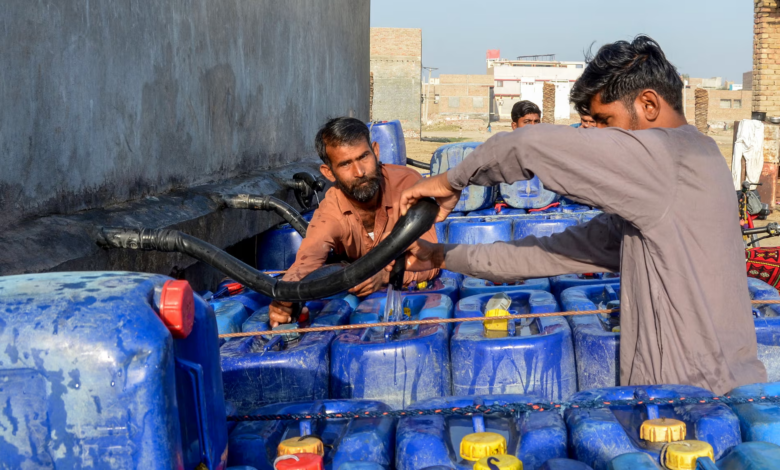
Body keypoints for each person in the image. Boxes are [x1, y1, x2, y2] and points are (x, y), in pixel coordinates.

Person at [396, 36, 766, 394]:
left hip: (692, 406)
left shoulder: (668, 157)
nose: (597, 134)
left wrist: (451, 181)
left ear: (649, 105)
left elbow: (529, 145)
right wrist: (443, 256)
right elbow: (549, 253)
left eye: (605, 121)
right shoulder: (691, 168)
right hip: (720, 397)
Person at [268, 117, 440, 326]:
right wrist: (286, 298)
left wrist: (384, 276)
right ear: (329, 172)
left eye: (364, 157)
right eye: (346, 164)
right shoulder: (330, 210)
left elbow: (433, 260)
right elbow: (307, 260)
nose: (360, 172)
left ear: (375, 151)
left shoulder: (409, 185)